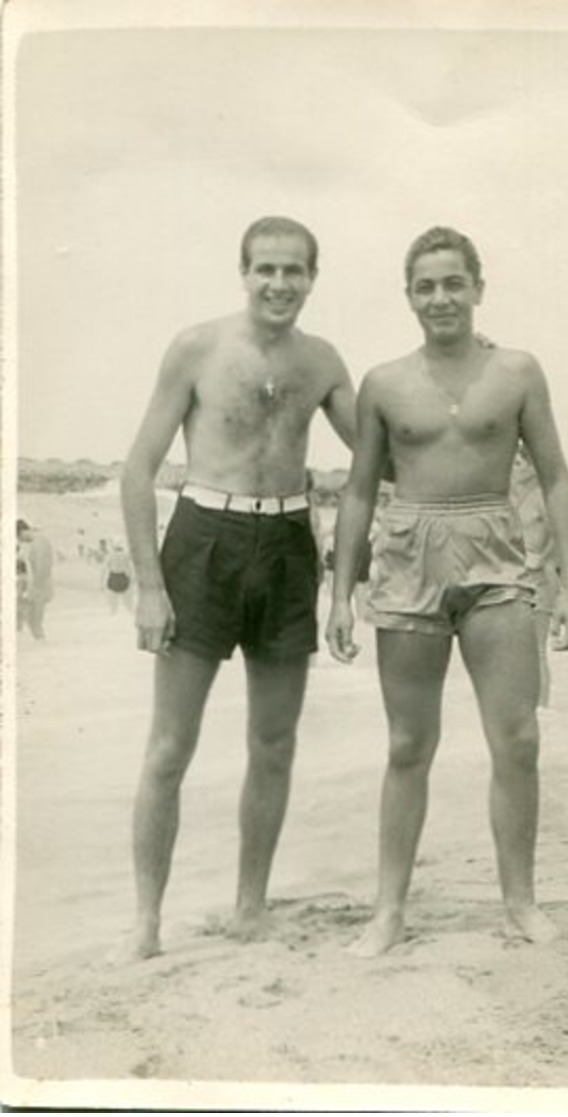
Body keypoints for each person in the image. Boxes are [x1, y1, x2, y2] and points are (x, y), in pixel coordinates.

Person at [327, 226, 568, 955]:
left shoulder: (518, 372)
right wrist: (339, 594)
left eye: (453, 283)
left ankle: (521, 904)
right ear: (409, 296)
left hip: (497, 554)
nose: (440, 297)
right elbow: (355, 494)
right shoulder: (383, 383)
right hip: (408, 556)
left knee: (519, 740)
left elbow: (558, 476)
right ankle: (389, 911)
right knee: (409, 742)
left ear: (478, 287)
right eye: (425, 286)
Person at [120, 216, 356, 959]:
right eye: (266, 269)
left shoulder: (323, 362)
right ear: (243, 272)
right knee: (168, 748)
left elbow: (378, 449)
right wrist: (151, 588)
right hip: (203, 540)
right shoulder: (197, 347)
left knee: (275, 743)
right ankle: (146, 924)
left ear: (314, 278)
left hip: (287, 544)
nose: (279, 283)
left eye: (294, 271)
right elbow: (137, 471)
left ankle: (250, 906)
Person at [510, 444, 561, 709]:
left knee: (536, 650)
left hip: (538, 577)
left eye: (520, 464)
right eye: (513, 464)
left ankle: (542, 708)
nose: (515, 469)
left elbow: (560, 533)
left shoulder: (542, 495)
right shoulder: (510, 495)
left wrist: (541, 556)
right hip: (512, 579)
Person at [16, 519, 54, 640]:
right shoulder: (38, 540)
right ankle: (40, 644)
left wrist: (34, 587)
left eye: (18, 537)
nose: (20, 541)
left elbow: (42, 566)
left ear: (21, 532)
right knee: (32, 619)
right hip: (39, 585)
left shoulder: (39, 542)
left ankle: (42, 647)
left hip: (39, 586)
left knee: (34, 620)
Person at [102, 540, 135, 613]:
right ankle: (130, 611)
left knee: (113, 599)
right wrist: (132, 579)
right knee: (127, 600)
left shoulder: (110, 556)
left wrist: (102, 582)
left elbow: (104, 569)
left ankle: (113, 612)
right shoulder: (126, 555)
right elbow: (130, 568)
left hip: (113, 577)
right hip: (123, 577)